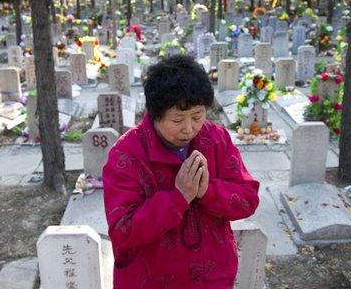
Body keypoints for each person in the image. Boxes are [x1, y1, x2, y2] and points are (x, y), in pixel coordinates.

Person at [102, 55, 260, 288]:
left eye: (197, 116)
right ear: (155, 114)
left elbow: (248, 199)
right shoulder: (126, 155)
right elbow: (123, 231)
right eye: (177, 120)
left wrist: (207, 191)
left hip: (213, 275)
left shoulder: (215, 139)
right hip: (153, 279)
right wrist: (178, 198)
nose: (189, 129)